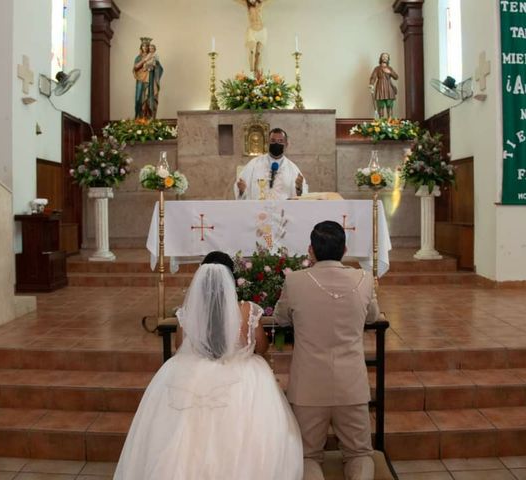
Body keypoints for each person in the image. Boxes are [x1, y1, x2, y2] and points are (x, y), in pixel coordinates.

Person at [113, 251, 303, 480]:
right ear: (231, 279)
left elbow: (180, 346)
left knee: (184, 436)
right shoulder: (247, 310)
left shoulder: (188, 313)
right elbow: (260, 347)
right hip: (241, 375)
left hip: (193, 374)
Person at [274, 221, 380, 480]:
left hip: (309, 385)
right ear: (344, 249)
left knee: (307, 455)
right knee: (359, 453)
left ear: (311, 250)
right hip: (351, 384)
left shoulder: (295, 281)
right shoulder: (364, 279)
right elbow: (373, 316)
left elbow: (280, 318)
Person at [235, 128, 308, 200]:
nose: (276, 144)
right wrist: (241, 191)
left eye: (280, 141)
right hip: (258, 210)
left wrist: (299, 189)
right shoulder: (253, 165)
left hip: (283, 210)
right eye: (273, 141)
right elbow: (239, 187)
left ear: (286, 144)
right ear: (268, 143)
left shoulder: (293, 169)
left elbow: (301, 196)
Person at [238, 0, 268, 73]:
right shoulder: (247, 4)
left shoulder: (261, 3)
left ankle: (256, 72)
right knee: (252, 51)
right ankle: (251, 71)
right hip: (252, 31)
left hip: (261, 30)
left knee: (259, 53)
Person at [369, 52, 398, 118]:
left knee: (389, 106)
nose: (385, 58)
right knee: (380, 107)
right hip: (380, 88)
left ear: (388, 59)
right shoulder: (377, 68)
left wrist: (390, 72)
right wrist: (371, 84)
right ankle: (381, 123)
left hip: (389, 88)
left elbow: (396, 77)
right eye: (383, 56)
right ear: (381, 58)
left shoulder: (390, 68)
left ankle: (390, 123)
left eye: (386, 57)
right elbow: (373, 77)